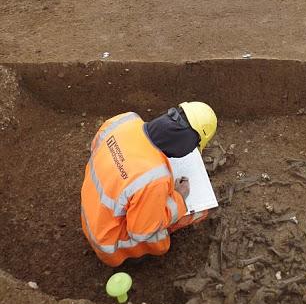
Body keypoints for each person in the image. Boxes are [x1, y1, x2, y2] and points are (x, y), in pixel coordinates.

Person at [81, 101, 217, 266]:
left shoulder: (125, 120)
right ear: (187, 143)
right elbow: (140, 231)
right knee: (198, 213)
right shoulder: (153, 178)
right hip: (108, 243)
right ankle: (136, 257)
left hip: (91, 212)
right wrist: (179, 197)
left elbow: (96, 149)